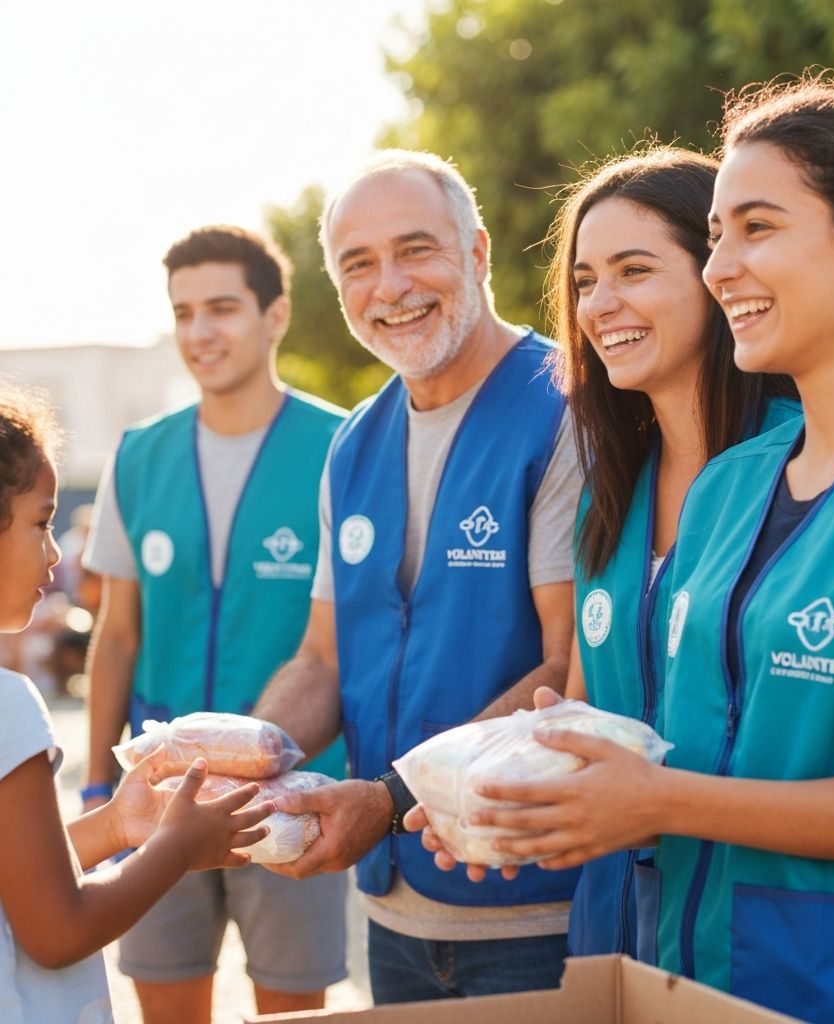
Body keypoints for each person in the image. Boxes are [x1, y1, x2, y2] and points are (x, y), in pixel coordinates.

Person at [463, 75, 834, 1024]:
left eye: (756, 228)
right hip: (706, 974)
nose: (721, 267)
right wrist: (524, 795)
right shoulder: (732, 486)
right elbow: (673, 741)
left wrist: (657, 803)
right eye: (717, 233)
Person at [421, 147, 797, 958]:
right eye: (585, 281)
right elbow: (588, 714)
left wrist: (656, 802)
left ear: (718, 276)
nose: (602, 304)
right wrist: (495, 793)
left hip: (767, 934)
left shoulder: (806, 469)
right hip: (619, 929)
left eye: (634, 269)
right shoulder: (613, 493)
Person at [253, 150, 583, 1003]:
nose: (389, 285)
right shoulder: (355, 442)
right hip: (395, 919)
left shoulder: (565, 412)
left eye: (416, 249)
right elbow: (322, 660)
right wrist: (244, 760)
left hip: (533, 915)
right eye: (358, 264)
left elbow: (567, 670)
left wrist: (390, 795)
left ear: (476, 253)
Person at [82, 226, 349, 1024]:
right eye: (184, 312)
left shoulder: (345, 446)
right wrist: (102, 780)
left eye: (223, 308)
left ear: (274, 316)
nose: (200, 332)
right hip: (160, 796)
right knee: (165, 1006)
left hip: (293, 793)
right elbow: (117, 636)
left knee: (292, 1011)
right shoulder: (139, 457)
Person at [0, 379, 272, 1024]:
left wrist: (117, 828)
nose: (59, 551)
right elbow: (57, 931)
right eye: (42, 523)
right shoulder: (9, 705)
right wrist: (175, 849)